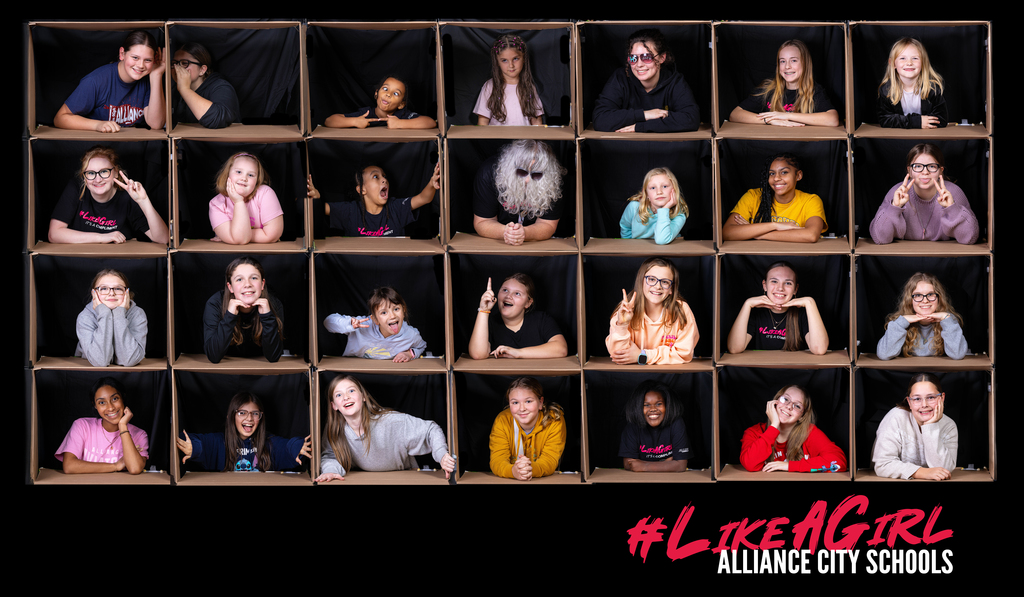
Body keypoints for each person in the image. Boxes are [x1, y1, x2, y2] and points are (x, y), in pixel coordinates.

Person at [315, 375, 455, 482]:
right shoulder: (335, 429)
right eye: (339, 395)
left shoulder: (390, 422)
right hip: (365, 480)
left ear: (363, 396)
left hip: (403, 477)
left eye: (351, 391)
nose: (346, 397)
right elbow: (330, 456)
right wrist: (330, 471)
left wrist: (441, 454)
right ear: (334, 406)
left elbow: (431, 429)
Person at [48, 145, 170, 245]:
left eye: (104, 171)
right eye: (90, 173)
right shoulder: (76, 188)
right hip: (82, 260)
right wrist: (101, 237)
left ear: (116, 172)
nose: (97, 179)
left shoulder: (127, 197)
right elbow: (54, 234)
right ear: (84, 177)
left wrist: (143, 201)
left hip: (116, 261)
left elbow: (162, 239)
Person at [54, 30, 165, 132]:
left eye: (148, 60)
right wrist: (97, 125)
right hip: (99, 144)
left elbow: (156, 124)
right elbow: (60, 118)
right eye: (135, 57)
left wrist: (156, 75)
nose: (141, 65)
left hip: (132, 145)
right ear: (122, 54)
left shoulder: (148, 80)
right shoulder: (96, 81)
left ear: (154, 59)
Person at [592, 28, 700, 133]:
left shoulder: (675, 81)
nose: (639, 64)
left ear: (662, 58)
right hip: (626, 148)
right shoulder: (620, 78)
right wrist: (645, 114)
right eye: (633, 58)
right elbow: (600, 118)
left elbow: (691, 119)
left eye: (647, 57)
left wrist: (640, 127)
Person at [869, 143, 978, 245]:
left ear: (940, 170)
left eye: (931, 166)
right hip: (904, 259)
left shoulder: (953, 192)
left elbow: (970, 238)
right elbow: (879, 238)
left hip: (944, 258)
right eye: (917, 166)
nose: (925, 172)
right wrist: (894, 207)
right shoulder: (897, 192)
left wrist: (952, 208)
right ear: (909, 170)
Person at [176, 392, 311, 472]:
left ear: (260, 417)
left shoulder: (269, 443)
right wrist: (194, 448)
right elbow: (185, 437)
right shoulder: (219, 442)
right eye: (242, 413)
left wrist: (297, 447)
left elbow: (287, 446)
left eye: (255, 413)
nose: (249, 418)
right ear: (231, 417)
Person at [473, 139, 567, 245]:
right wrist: (507, 232)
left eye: (536, 174)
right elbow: (482, 222)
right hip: (496, 244)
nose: (527, 180)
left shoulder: (552, 179)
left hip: (534, 246)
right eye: (521, 172)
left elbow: (548, 225)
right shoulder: (489, 173)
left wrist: (524, 233)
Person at [308, 162, 440, 237]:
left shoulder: (395, 207)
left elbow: (424, 198)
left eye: (384, 176)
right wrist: (316, 197)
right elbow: (321, 208)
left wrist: (431, 184)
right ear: (362, 190)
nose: (384, 179)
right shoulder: (350, 211)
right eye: (375, 177)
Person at [606, 257, 699, 365]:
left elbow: (684, 353)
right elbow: (619, 355)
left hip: (671, 375)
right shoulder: (625, 311)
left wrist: (642, 355)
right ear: (641, 281)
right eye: (651, 279)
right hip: (633, 376)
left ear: (671, 289)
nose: (657, 286)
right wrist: (622, 325)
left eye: (664, 282)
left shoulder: (681, 310)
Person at [728, 39, 839, 128]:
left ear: (805, 64)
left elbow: (832, 120)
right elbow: (735, 115)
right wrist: (771, 120)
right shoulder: (768, 89)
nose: (787, 66)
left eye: (794, 60)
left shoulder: (814, 91)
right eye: (782, 61)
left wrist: (785, 115)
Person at [726, 261, 828, 355]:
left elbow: (819, 350)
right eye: (774, 281)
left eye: (788, 283)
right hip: (761, 372)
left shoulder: (803, 314)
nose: (780, 288)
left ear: (795, 289)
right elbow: (734, 349)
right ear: (765, 286)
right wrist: (747, 304)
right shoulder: (755, 313)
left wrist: (810, 302)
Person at [722, 152, 826, 243]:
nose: (776, 178)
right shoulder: (753, 196)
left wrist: (755, 234)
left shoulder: (811, 201)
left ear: (798, 175)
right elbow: (727, 233)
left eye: (784, 172)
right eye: (772, 173)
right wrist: (775, 225)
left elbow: (811, 236)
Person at [739, 385, 847, 473]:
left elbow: (838, 463)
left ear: (801, 416)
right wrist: (774, 425)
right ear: (775, 402)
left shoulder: (809, 432)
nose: (789, 406)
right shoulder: (753, 432)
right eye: (785, 399)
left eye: (797, 406)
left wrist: (789, 466)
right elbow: (750, 464)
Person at [872, 373, 958, 480]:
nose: (924, 405)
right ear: (909, 402)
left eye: (931, 397)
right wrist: (922, 472)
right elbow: (882, 465)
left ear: (941, 398)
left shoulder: (949, 426)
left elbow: (944, 470)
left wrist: (930, 426)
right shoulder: (895, 418)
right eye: (917, 399)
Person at [55, 377, 148, 474]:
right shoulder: (82, 426)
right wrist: (116, 466)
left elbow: (135, 469)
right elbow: (69, 466)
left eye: (115, 398)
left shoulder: (139, 435)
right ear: (95, 405)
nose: (110, 407)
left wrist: (123, 426)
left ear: (123, 398)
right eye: (102, 402)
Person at [203, 257, 284, 363]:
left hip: (262, 372)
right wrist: (230, 316)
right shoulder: (215, 303)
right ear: (230, 287)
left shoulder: (273, 304)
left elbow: (273, 357)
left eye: (254, 278)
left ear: (262, 284)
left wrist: (267, 316)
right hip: (225, 372)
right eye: (239, 279)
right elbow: (214, 356)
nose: (247, 284)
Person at [468, 273, 567, 360]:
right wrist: (483, 310)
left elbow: (561, 349)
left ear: (528, 303)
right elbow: (478, 354)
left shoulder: (541, 320)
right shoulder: (488, 323)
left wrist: (518, 353)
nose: (508, 296)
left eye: (517, 293)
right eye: (505, 290)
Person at [489, 377, 566, 481]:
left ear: (540, 402)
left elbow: (549, 460)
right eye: (515, 403)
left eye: (528, 401)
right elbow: (497, 460)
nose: (522, 408)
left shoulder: (554, 420)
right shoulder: (503, 420)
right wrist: (513, 471)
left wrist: (529, 470)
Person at [877, 273, 967, 360]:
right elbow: (884, 355)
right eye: (918, 295)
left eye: (930, 294)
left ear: (939, 298)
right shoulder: (900, 322)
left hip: (942, 373)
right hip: (907, 373)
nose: (925, 300)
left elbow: (958, 354)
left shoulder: (948, 320)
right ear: (910, 300)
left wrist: (946, 318)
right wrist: (902, 322)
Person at [323, 287, 427, 362]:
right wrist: (349, 323)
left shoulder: (411, 334)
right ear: (375, 319)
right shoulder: (362, 325)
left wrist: (409, 354)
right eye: (384, 312)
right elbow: (328, 322)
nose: (392, 316)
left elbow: (421, 346)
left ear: (403, 311)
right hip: (356, 372)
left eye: (396, 309)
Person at [75, 269, 147, 367]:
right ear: (94, 293)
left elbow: (129, 360)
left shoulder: (137, 314)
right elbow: (100, 361)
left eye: (118, 288)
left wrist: (119, 314)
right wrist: (104, 313)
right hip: (88, 371)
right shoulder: (85, 317)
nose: (111, 293)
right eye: (104, 288)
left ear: (126, 292)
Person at [208, 152, 283, 244]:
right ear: (227, 174)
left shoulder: (265, 193)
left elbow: (272, 235)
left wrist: (235, 234)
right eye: (238, 172)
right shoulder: (216, 204)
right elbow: (240, 240)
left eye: (250, 175)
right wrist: (238, 202)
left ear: (257, 180)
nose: (244, 178)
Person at [619, 380, 691, 472]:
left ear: (667, 405)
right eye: (646, 405)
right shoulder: (633, 426)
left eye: (658, 404)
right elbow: (629, 464)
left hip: (670, 479)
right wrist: (667, 464)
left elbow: (681, 466)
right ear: (638, 408)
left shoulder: (676, 423)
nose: (653, 409)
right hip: (641, 479)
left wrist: (644, 466)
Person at [877, 38, 947, 129]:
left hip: (926, 137)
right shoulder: (886, 90)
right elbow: (884, 119)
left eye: (915, 58)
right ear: (892, 63)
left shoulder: (932, 88)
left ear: (923, 63)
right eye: (902, 58)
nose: (909, 63)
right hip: (898, 139)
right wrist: (916, 122)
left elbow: (942, 119)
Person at [473, 34, 543, 126]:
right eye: (504, 60)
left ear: (524, 59)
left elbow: (536, 121)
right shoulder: (490, 86)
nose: (511, 65)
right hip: (498, 139)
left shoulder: (529, 86)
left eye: (515, 59)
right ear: (497, 61)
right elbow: (482, 122)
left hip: (525, 140)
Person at [171, 42, 240, 129]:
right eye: (174, 63)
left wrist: (184, 89)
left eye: (185, 63)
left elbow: (217, 120)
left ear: (202, 70)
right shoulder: (175, 91)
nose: (177, 68)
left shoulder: (221, 87)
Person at [324, 76, 436, 129]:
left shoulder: (402, 115)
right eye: (385, 89)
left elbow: (430, 122)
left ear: (401, 104)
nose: (388, 94)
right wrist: (354, 121)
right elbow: (329, 121)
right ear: (376, 94)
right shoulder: (366, 114)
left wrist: (400, 124)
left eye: (396, 94)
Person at [619, 167, 688, 244]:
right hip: (638, 250)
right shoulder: (634, 207)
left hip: (667, 250)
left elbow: (661, 240)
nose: (659, 192)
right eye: (653, 188)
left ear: (674, 190)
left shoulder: (679, 214)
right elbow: (625, 228)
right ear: (646, 194)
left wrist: (665, 209)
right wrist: (628, 246)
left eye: (664, 186)